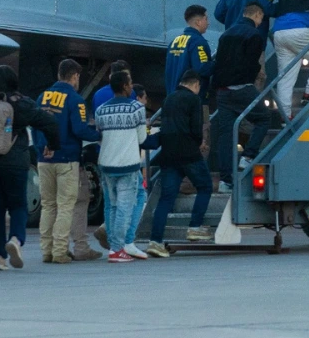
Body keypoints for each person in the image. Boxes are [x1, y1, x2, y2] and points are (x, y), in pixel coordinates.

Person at [0, 65, 60, 271]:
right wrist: (51, 146)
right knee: (18, 206)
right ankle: (15, 239)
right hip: (13, 163)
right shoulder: (21, 103)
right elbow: (49, 122)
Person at [36, 59, 102, 264]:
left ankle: (46, 250)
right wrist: (98, 133)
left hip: (43, 160)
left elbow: (35, 126)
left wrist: (41, 149)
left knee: (48, 205)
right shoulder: (75, 100)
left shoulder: (42, 97)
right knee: (66, 206)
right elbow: (79, 130)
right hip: (67, 160)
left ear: (58, 75)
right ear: (75, 76)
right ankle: (59, 251)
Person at [146, 70, 214, 257]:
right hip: (188, 152)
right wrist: (199, 142)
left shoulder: (169, 99)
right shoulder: (193, 100)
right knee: (205, 186)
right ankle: (194, 227)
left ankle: (155, 241)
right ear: (196, 84)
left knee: (166, 198)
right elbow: (196, 128)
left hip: (168, 154)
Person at [210, 2, 271, 193]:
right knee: (264, 117)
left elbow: (218, 61)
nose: (261, 22)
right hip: (242, 88)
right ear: (257, 15)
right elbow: (252, 63)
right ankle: (249, 155)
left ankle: (225, 181)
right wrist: (256, 74)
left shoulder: (226, 34)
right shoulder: (254, 35)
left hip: (222, 91)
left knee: (226, 136)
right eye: (261, 18)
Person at [95, 70, 148, 262]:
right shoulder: (136, 109)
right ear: (125, 86)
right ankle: (117, 249)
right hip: (128, 165)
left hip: (106, 164)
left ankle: (113, 246)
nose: (132, 85)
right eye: (130, 82)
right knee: (125, 207)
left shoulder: (100, 110)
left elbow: (99, 137)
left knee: (111, 207)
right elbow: (142, 138)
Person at [165, 5, 215, 95]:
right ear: (198, 22)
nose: (208, 23)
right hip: (192, 100)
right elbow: (202, 68)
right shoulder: (198, 42)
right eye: (206, 19)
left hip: (172, 96)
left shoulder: (174, 41)